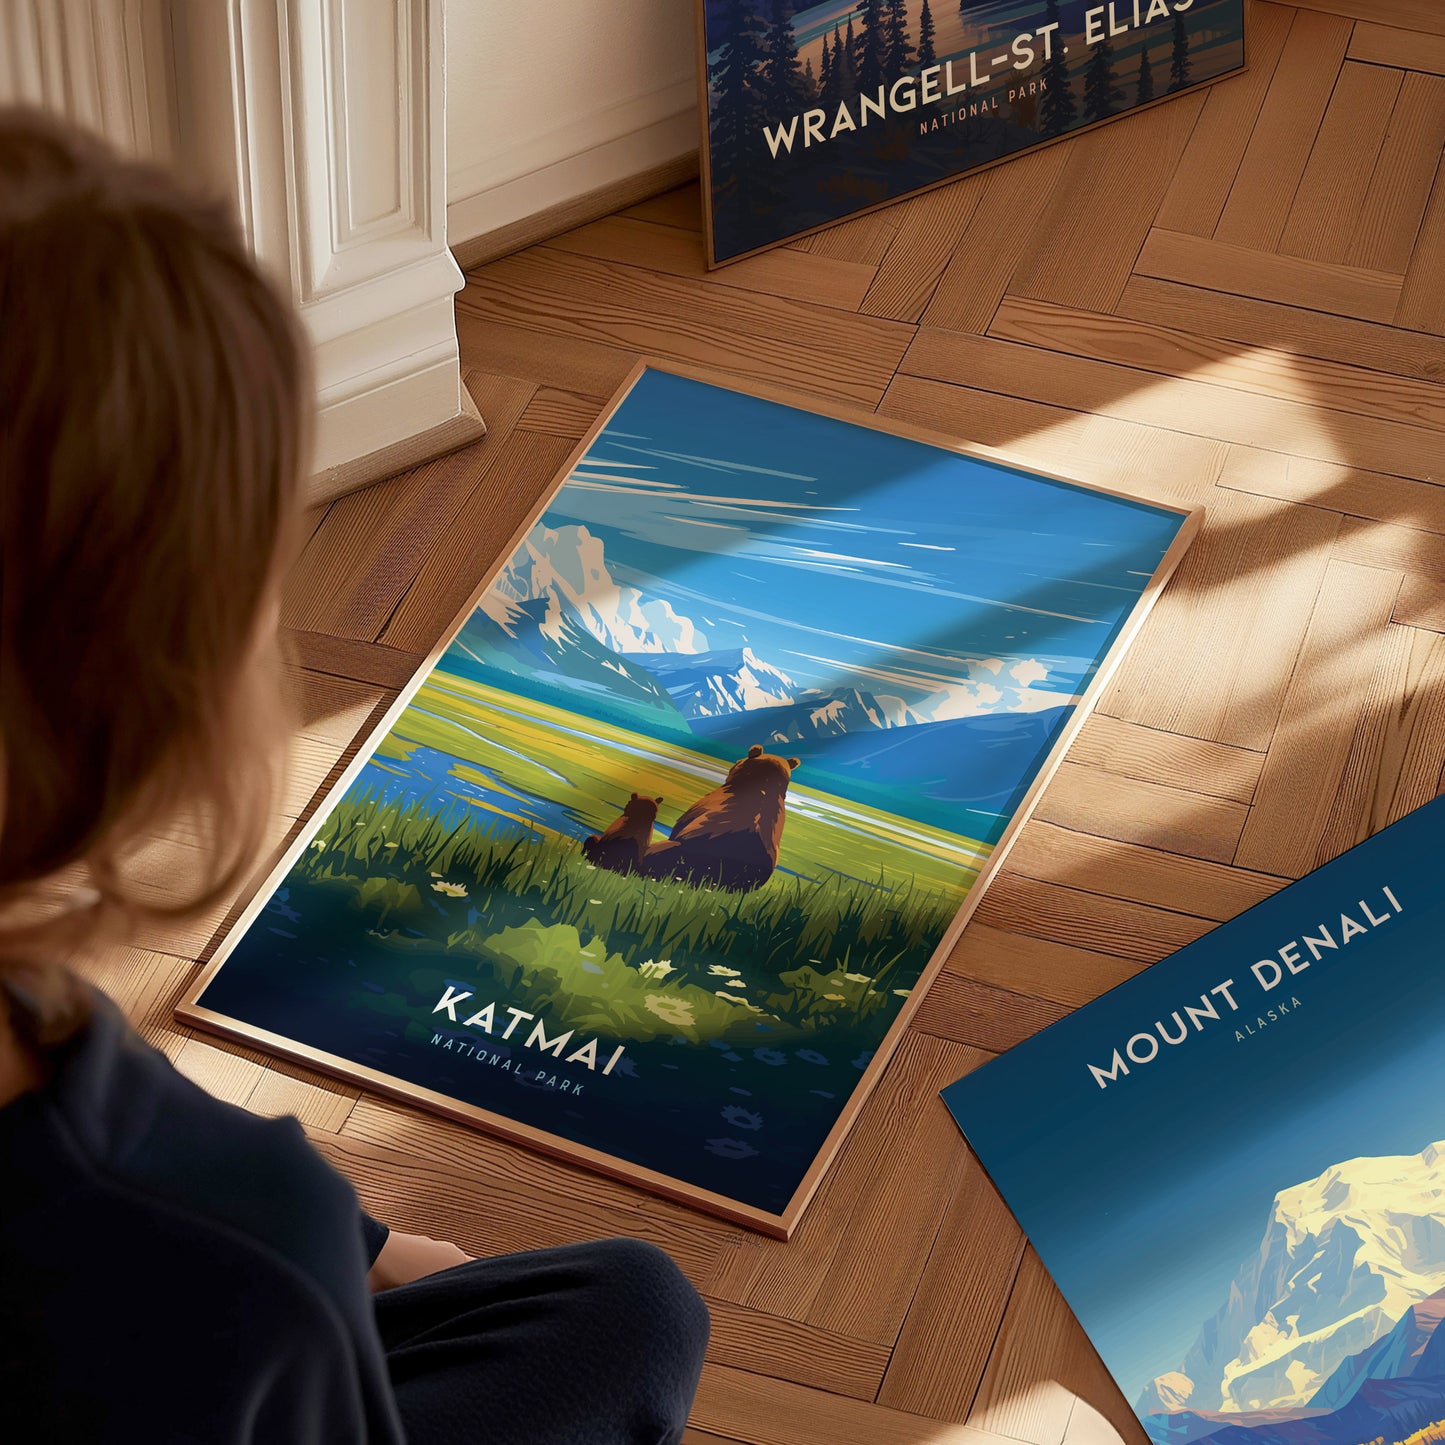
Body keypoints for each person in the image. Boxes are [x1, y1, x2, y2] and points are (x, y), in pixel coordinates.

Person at [0, 108, 710, 1443]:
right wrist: (320, 1252)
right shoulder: (232, 1261)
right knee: (631, 1314)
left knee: (614, 1308)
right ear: (157, 687)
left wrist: (357, 1237)